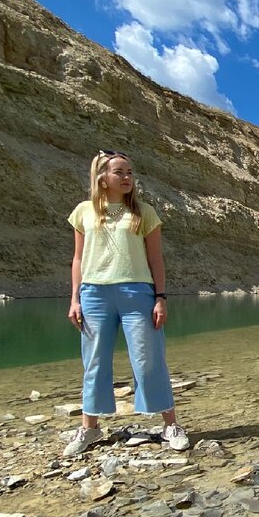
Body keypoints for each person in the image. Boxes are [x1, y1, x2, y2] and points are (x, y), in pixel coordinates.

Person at [62, 150, 189, 455]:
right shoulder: (83, 212)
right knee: (94, 362)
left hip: (137, 294)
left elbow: (156, 259)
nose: (127, 177)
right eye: (120, 172)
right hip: (94, 294)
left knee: (148, 360)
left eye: (130, 172)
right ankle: (89, 429)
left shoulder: (144, 213)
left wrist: (160, 297)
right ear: (102, 177)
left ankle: (170, 425)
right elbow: (78, 258)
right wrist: (74, 299)